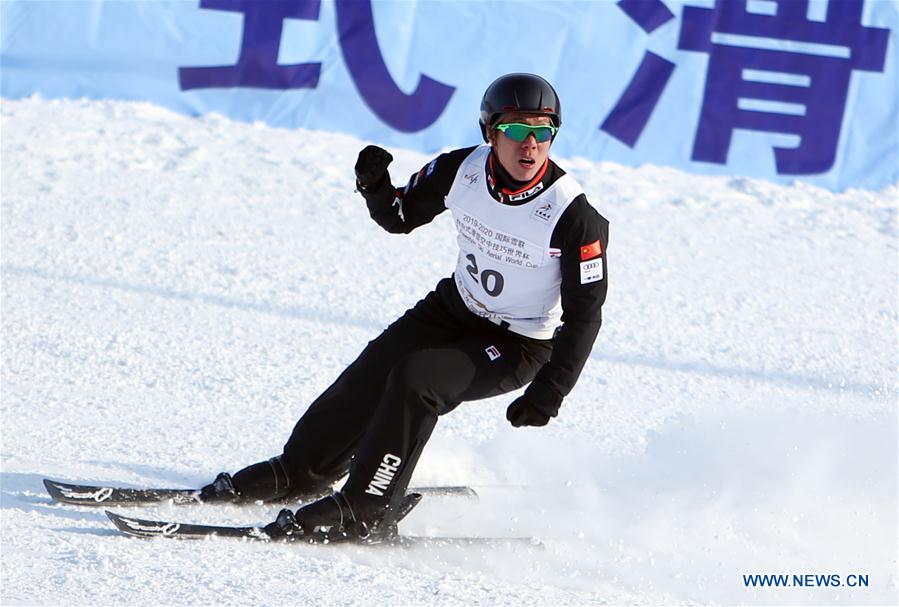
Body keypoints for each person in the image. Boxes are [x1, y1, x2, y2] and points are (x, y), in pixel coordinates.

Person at [200, 73, 609, 542]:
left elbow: (585, 315)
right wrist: (375, 187)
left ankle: (367, 509)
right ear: (490, 132)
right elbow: (401, 216)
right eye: (517, 130)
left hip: (516, 344)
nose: (530, 144)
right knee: (376, 367)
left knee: (418, 381)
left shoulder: (574, 215)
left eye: (542, 131)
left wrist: (550, 391)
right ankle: (302, 471)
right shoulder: (463, 170)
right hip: (454, 308)